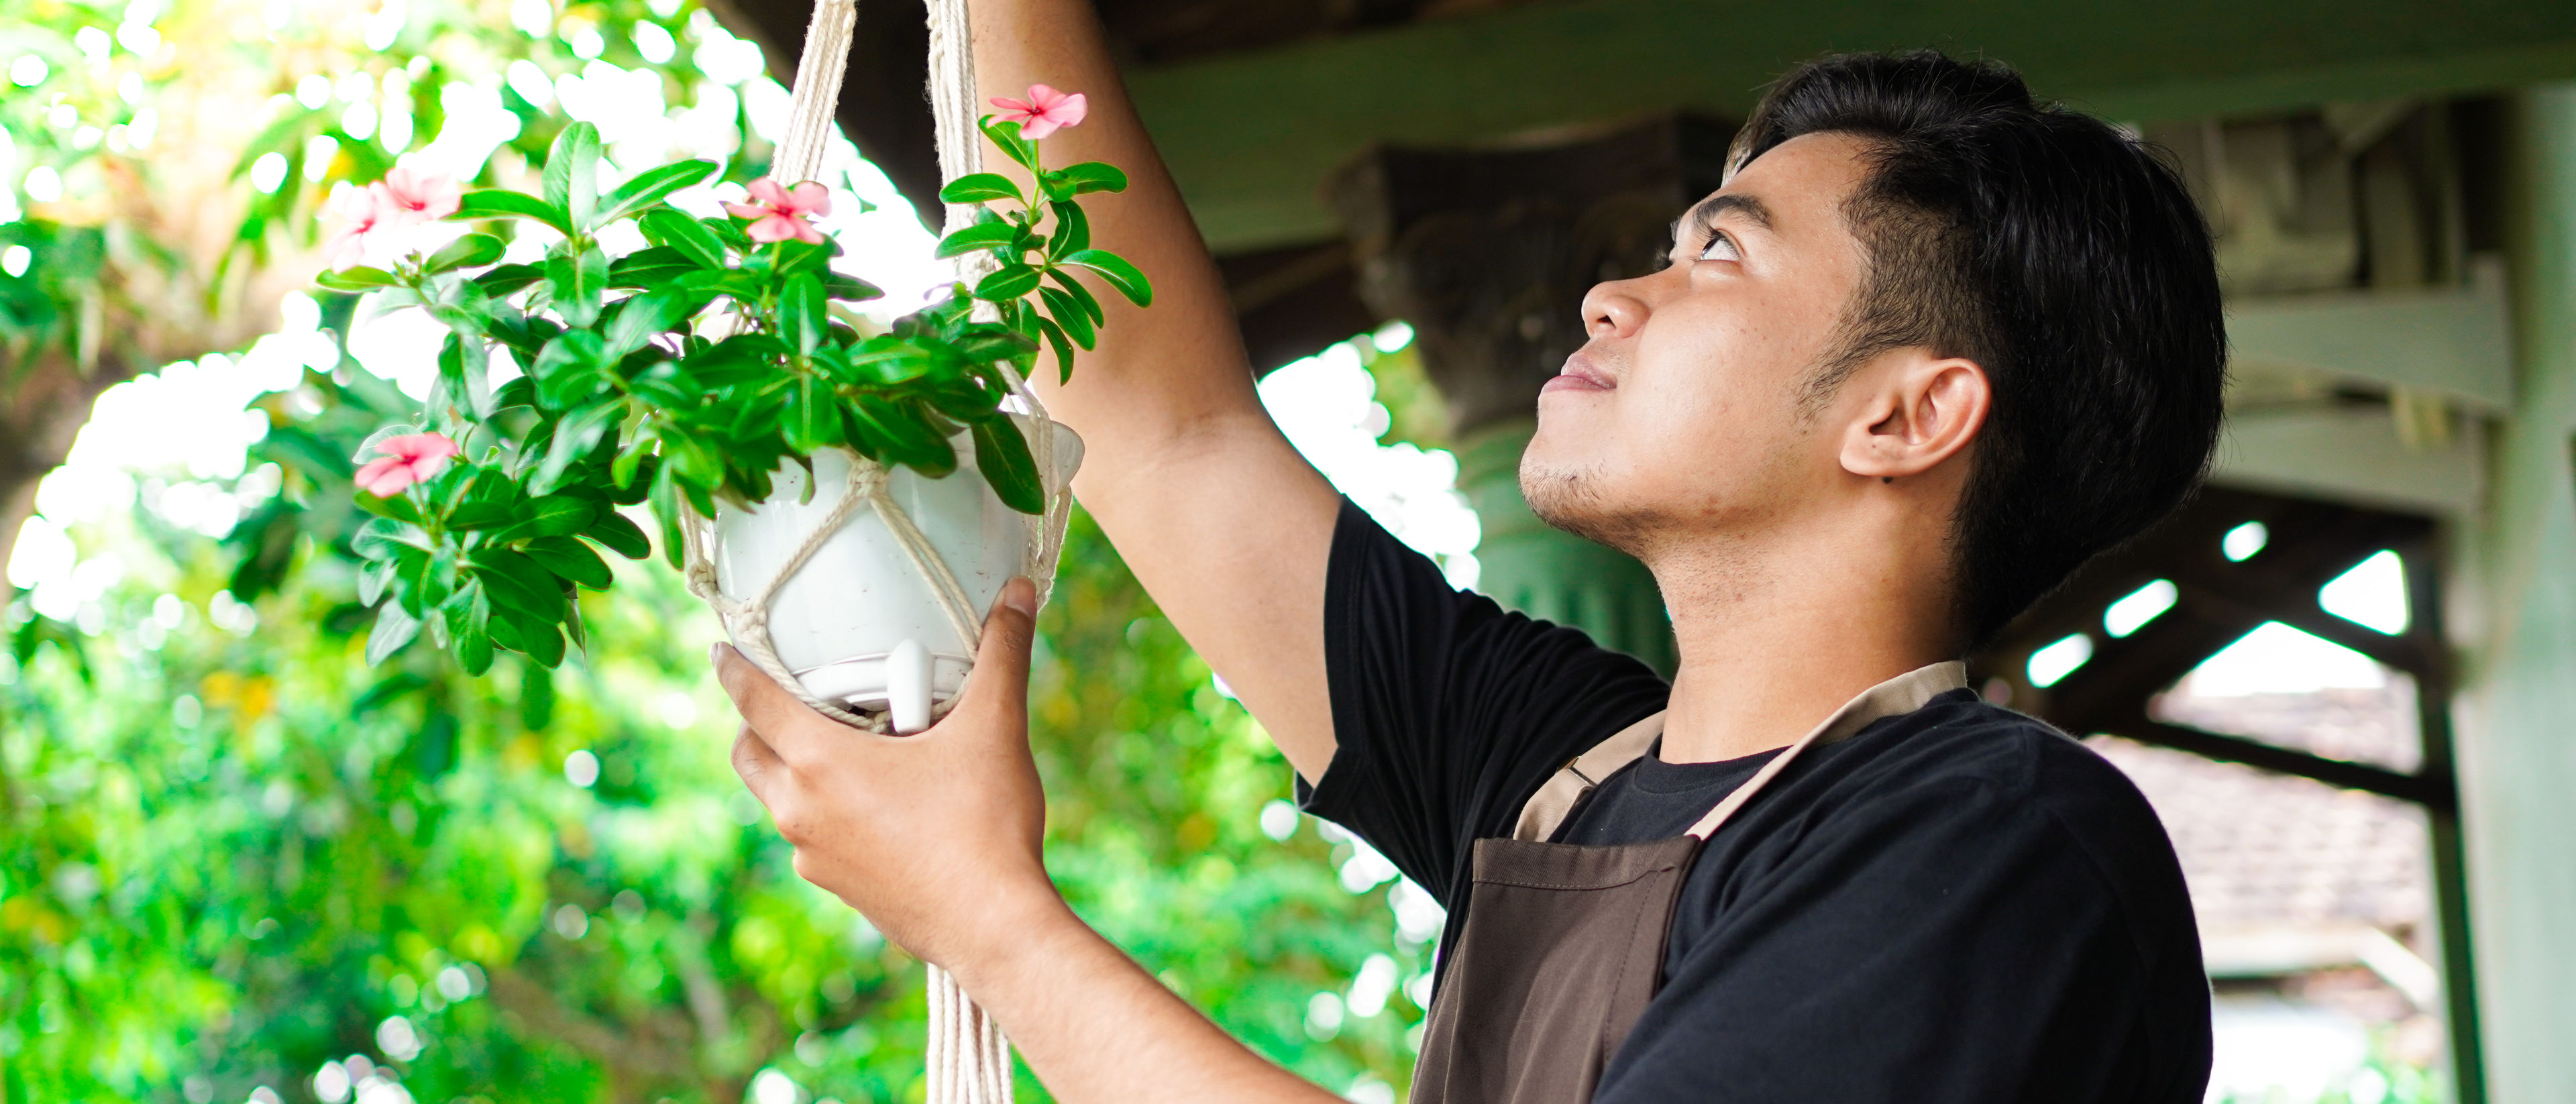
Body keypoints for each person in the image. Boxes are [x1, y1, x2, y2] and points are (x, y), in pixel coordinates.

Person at [712, 5, 2228, 1099]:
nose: (1610, 297)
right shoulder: (1560, 774)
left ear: (1907, 416)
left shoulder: (2006, 849)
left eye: (1719, 249)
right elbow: (1160, 421)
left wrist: (989, 920)